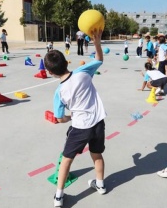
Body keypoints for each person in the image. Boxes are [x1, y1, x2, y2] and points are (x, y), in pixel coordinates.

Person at [44, 29, 106, 207]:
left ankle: (58, 197)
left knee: (66, 160)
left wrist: (70, 117)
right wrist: (96, 43)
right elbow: (99, 59)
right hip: (98, 122)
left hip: (80, 127)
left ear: (50, 72)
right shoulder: (82, 72)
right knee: (97, 154)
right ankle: (100, 184)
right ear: (65, 61)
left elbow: (60, 118)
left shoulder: (59, 92)